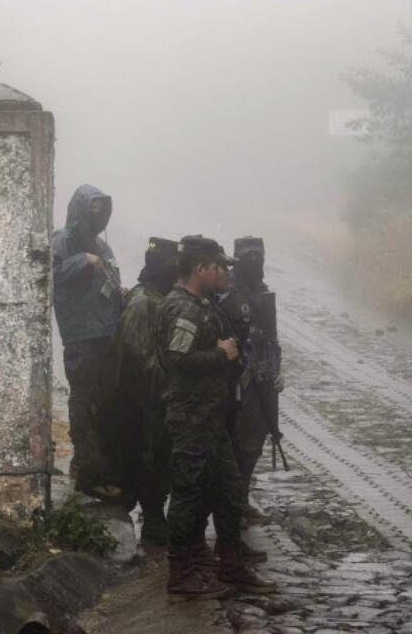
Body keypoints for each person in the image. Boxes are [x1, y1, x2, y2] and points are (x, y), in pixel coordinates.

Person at [158, 236, 276, 601]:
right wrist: (220, 355)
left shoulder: (202, 304)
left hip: (213, 418)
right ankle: (181, 573)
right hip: (192, 419)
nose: (224, 272)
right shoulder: (183, 309)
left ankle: (231, 566)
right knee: (188, 496)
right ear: (200, 269)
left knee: (229, 493)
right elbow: (177, 362)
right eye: (218, 267)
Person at [52, 184, 122, 494]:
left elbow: (114, 282)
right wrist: (84, 261)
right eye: (91, 209)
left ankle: (101, 466)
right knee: (83, 402)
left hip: (106, 335)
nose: (96, 217)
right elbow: (48, 274)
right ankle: (84, 465)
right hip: (80, 337)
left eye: (101, 210)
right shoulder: (62, 241)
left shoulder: (103, 247)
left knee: (105, 403)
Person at [110, 237, 178, 544]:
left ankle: (153, 516)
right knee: (150, 460)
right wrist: (168, 383)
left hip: (154, 399)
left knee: (159, 459)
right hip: (145, 401)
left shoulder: (157, 299)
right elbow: (138, 355)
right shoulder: (144, 303)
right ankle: (151, 519)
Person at [219, 236, 285, 529]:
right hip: (239, 384)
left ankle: (240, 502)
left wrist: (276, 370)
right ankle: (230, 509)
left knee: (254, 445)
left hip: (264, 381)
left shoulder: (262, 291)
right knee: (238, 449)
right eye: (248, 257)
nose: (254, 262)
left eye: (258, 256)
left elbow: (271, 339)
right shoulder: (226, 294)